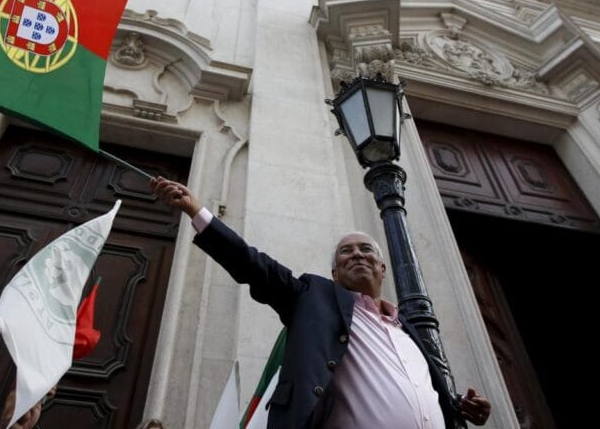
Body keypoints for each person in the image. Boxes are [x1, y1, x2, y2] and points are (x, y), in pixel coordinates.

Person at [151, 177, 492, 428]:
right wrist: (196, 211)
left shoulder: (407, 329)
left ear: (382, 268)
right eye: (346, 251)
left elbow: (416, 388)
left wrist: (459, 407)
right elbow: (252, 264)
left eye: (366, 249)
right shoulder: (311, 298)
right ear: (334, 272)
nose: (357, 254)